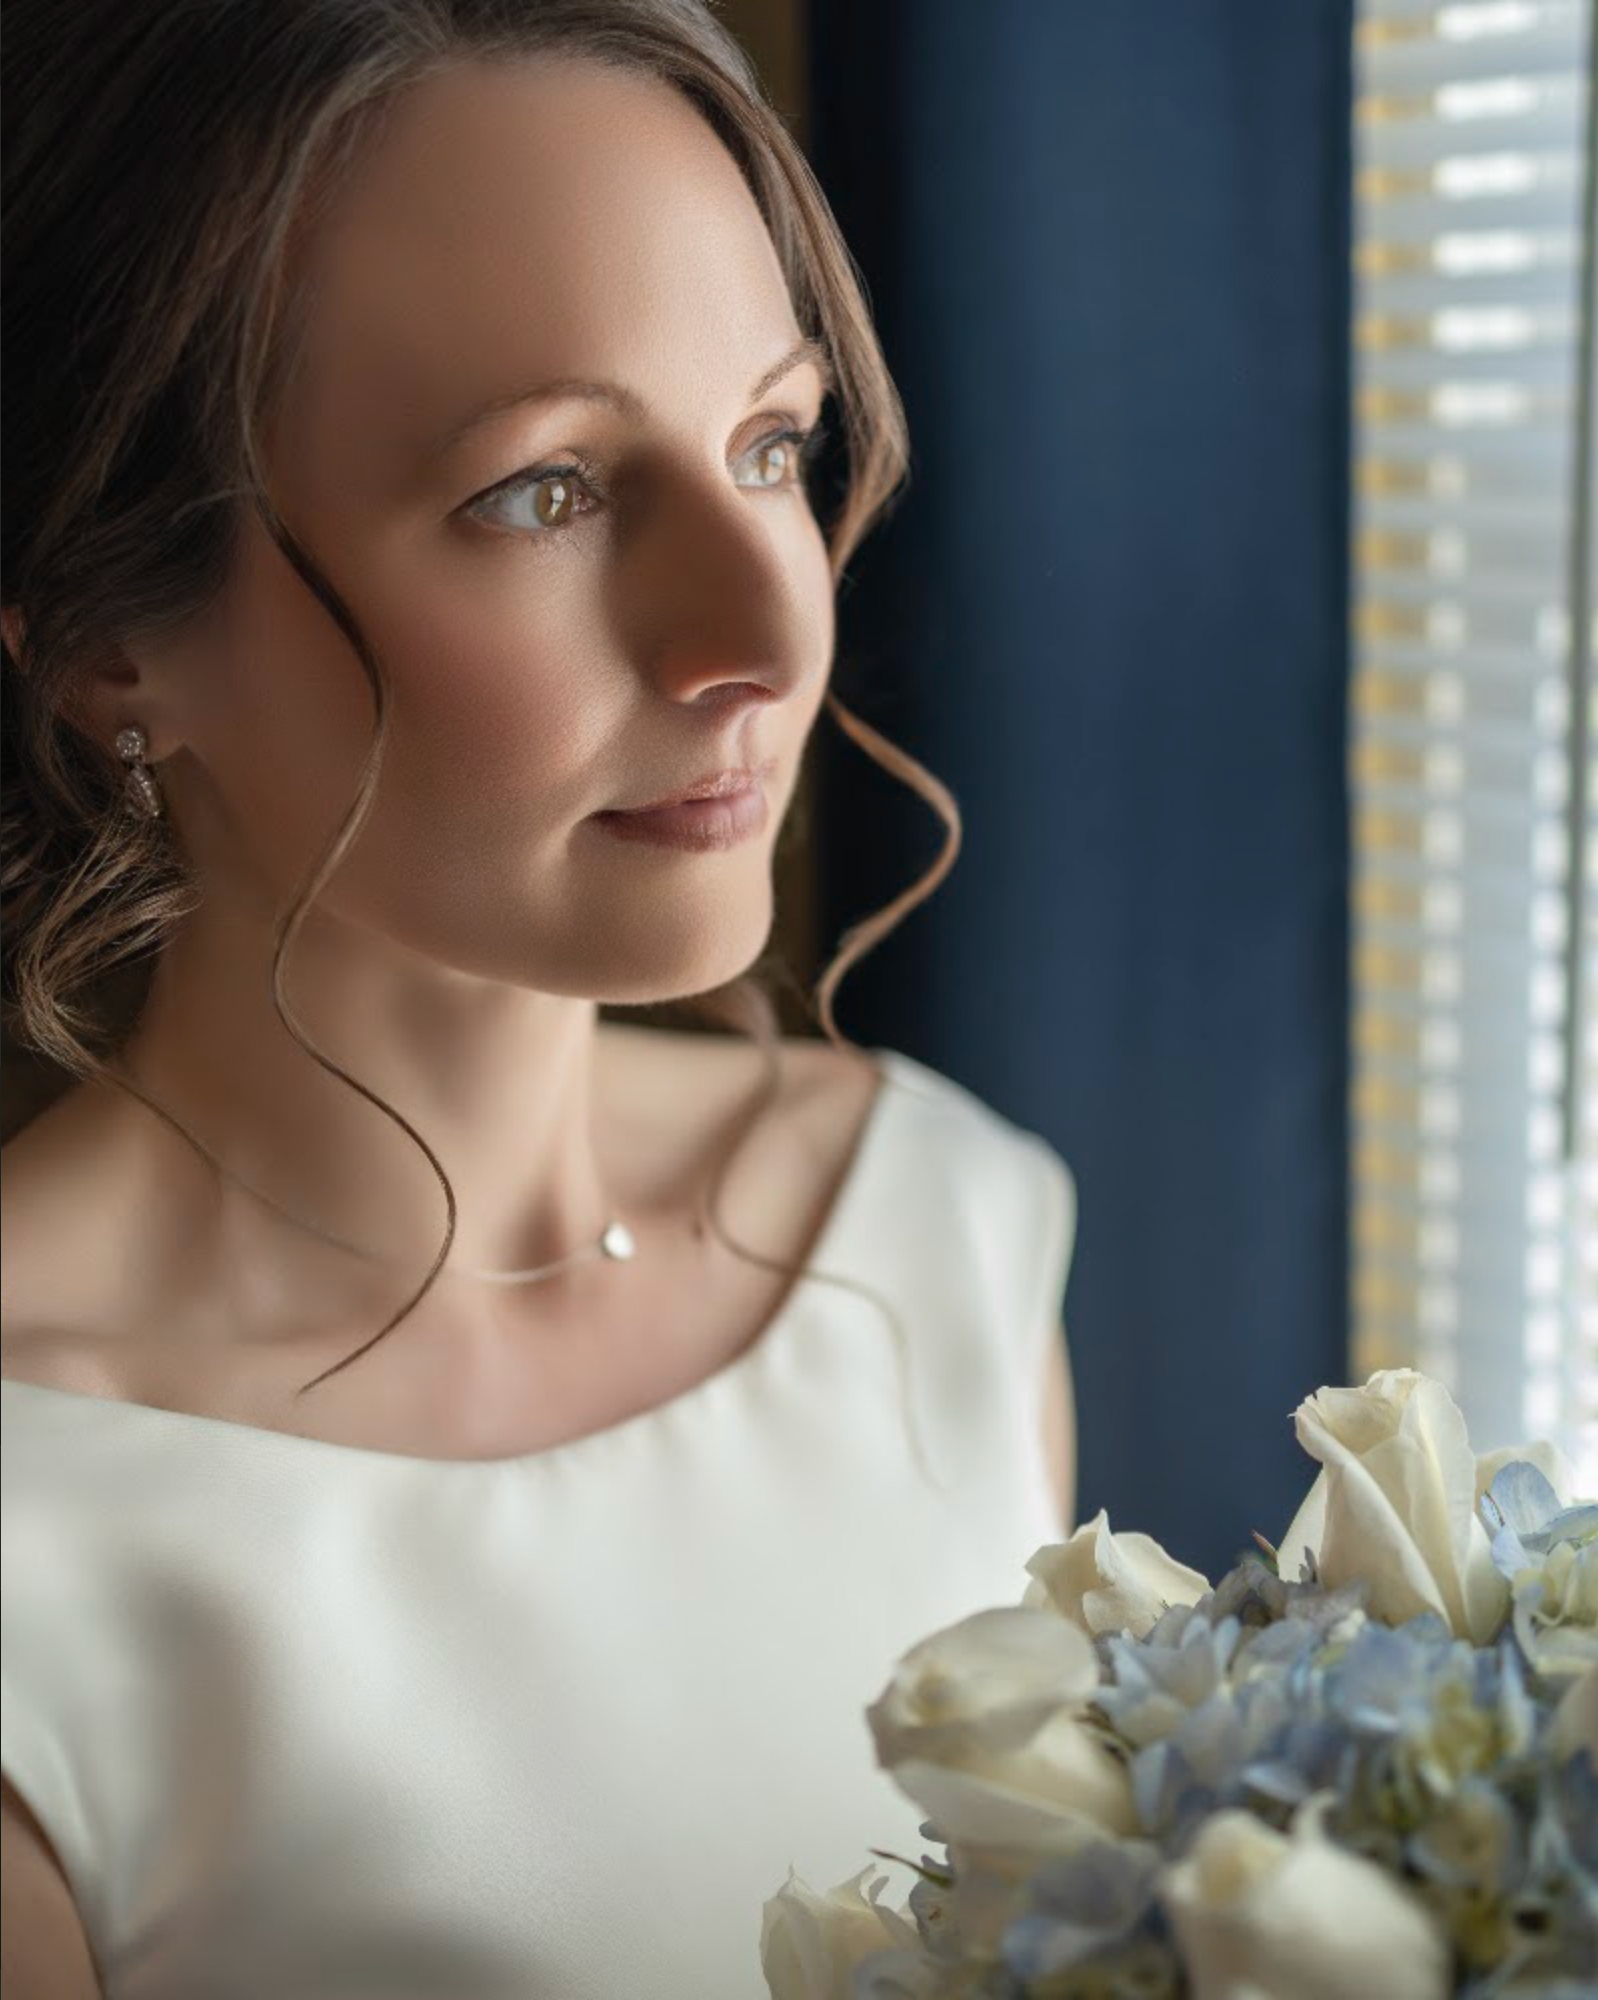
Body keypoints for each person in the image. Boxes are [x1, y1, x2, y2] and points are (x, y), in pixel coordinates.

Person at [0, 4, 1080, 1995]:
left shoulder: (942, 1237)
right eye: (548, 492)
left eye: (769, 443)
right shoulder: (33, 1541)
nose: (762, 629)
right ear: (104, 638)